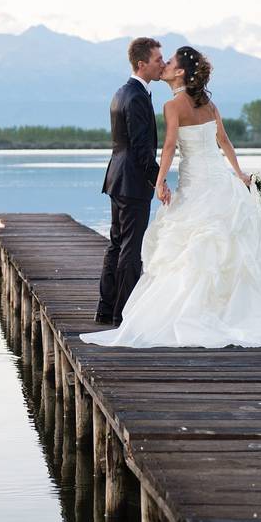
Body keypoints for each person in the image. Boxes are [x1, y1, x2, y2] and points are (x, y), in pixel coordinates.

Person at [82, 46, 261, 348]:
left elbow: (171, 146)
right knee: (227, 248)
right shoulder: (210, 105)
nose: (165, 64)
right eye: (161, 59)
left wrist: (159, 181)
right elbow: (224, 141)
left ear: (180, 72)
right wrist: (239, 175)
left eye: (169, 61)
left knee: (190, 249)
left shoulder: (173, 106)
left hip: (194, 183)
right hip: (218, 182)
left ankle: (184, 312)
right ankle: (228, 313)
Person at [94, 37, 164, 326]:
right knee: (130, 249)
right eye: (158, 59)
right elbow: (140, 148)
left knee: (117, 244)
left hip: (117, 178)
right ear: (142, 64)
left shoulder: (122, 92)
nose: (163, 63)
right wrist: (158, 180)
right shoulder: (135, 97)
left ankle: (106, 309)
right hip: (132, 181)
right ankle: (123, 315)